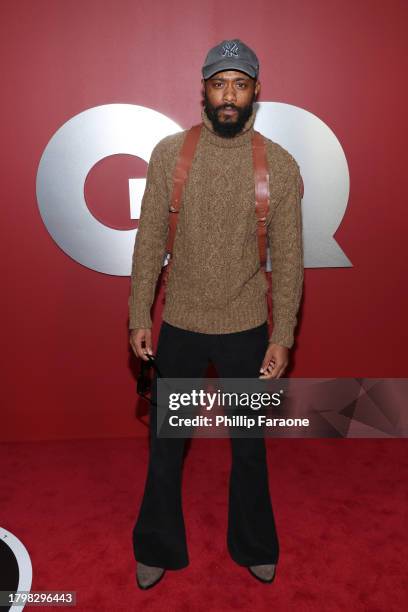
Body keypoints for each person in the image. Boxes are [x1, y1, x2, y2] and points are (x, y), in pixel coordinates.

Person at [128, 38, 304, 590]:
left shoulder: (277, 163)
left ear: (256, 92)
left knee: (249, 448)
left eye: (240, 84)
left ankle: (253, 543)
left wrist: (284, 334)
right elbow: (150, 240)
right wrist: (139, 315)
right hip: (179, 323)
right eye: (219, 83)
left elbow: (291, 260)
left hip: (247, 328)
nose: (229, 96)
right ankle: (157, 545)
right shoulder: (169, 154)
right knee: (167, 446)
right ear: (203, 89)